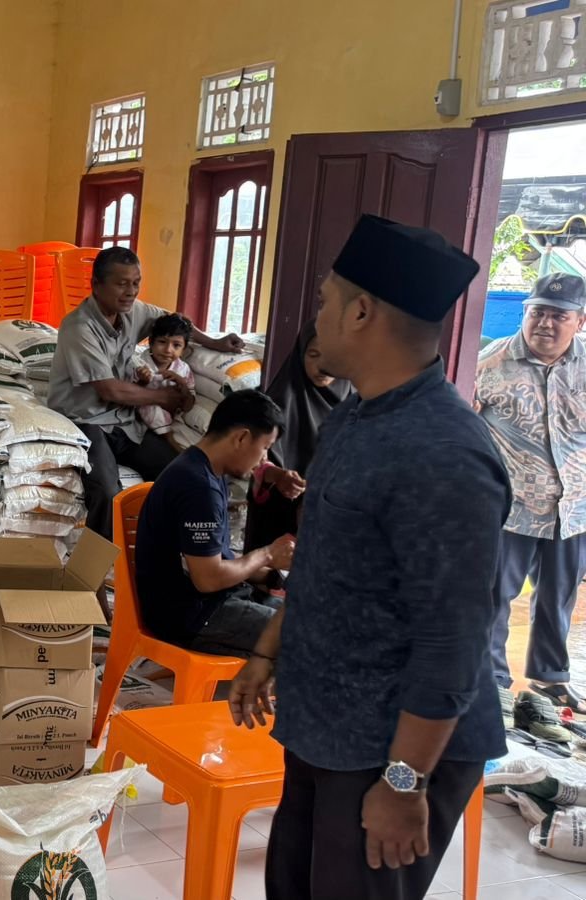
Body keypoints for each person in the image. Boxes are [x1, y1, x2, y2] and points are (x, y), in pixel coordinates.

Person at [229, 214, 508, 900]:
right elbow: (327, 563)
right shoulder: (356, 417)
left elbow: (453, 640)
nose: (316, 316)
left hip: (394, 749)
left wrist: (405, 783)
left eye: (325, 299)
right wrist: (267, 650)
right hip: (328, 725)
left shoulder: (445, 453)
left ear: (360, 312)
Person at [43, 246, 246, 539]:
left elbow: (175, 322)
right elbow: (109, 389)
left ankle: (164, 546)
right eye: (122, 284)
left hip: (126, 421)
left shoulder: (134, 312)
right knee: (107, 490)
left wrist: (214, 343)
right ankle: (104, 563)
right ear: (96, 284)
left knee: (178, 471)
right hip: (86, 421)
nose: (131, 292)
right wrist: (164, 397)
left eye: (136, 283)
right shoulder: (79, 327)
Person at [475, 273, 586, 717]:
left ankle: (550, 677)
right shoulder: (491, 362)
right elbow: (460, 425)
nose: (545, 323)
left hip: (573, 507)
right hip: (512, 506)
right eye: (538, 312)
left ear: (580, 321)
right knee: (495, 596)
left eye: (558, 315)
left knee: (559, 597)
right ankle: (493, 681)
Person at [134, 389, 296, 657]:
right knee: (309, 639)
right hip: (191, 616)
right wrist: (267, 554)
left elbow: (215, 557)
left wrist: (271, 575)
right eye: (265, 448)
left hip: (206, 602)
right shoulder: (198, 487)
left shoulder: (202, 468)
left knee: (312, 618)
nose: (264, 460)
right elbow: (208, 579)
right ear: (241, 437)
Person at [244, 322, 353, 550]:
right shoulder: (277, 403)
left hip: (330, 517)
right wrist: (278, 475)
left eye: (331, 356)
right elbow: (254, 463)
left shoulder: (356, 405)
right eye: (313, 355)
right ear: (300, 355)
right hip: (278, 520)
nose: (323, 366)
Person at [132, 312, 196, 435]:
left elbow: (188, 403)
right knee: (150, 407)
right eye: (162, 342)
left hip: (172, 413)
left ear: (183, 350)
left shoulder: (183, 369)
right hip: (144, 413)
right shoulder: (139, 363)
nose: (168, 350)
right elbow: (128, 396)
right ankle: (168, 437)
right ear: (151, 343)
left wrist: (182, 384)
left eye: (176, 345)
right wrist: (142, 381)